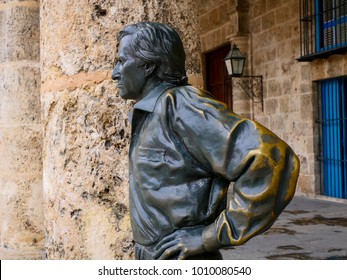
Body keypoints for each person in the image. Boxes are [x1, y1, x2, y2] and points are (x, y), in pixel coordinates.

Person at [112, 22, 300, 260]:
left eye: (121, 62)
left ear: (148, 65)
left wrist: (209, 236)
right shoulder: (151, 112)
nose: (114, 73)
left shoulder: (181, 106)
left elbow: (270, 157)